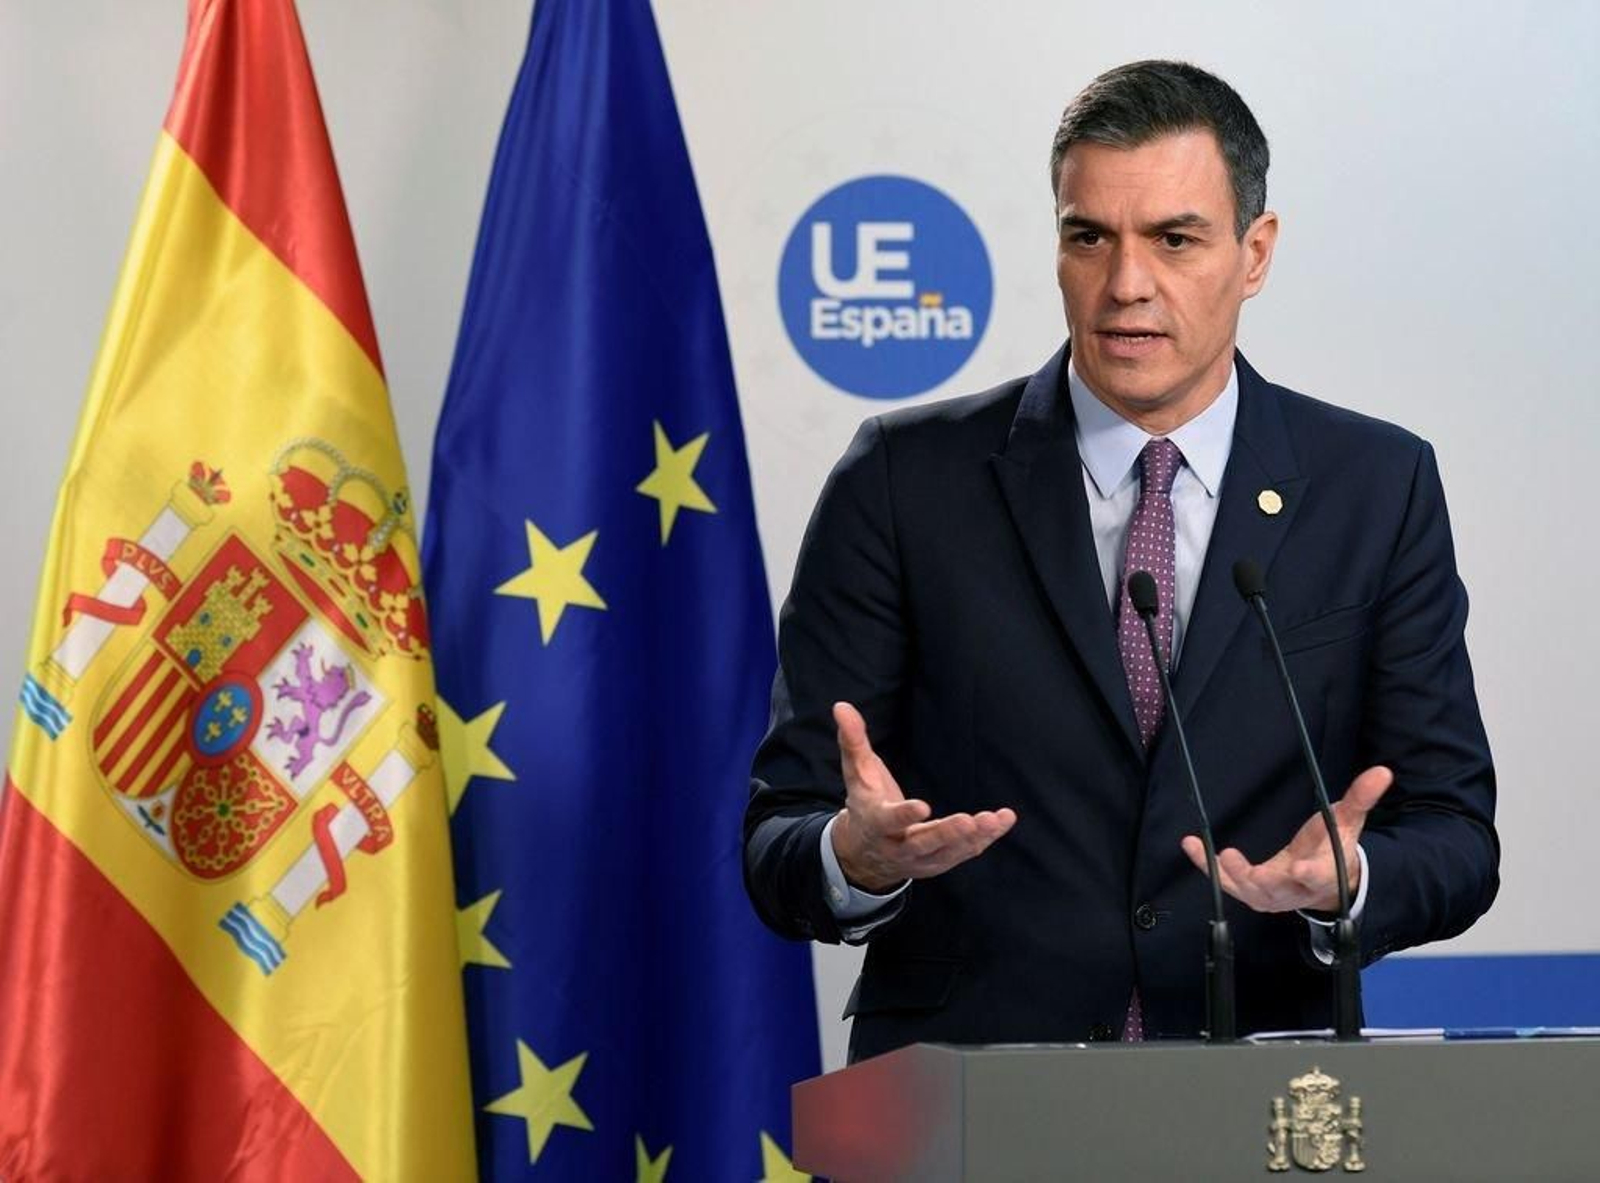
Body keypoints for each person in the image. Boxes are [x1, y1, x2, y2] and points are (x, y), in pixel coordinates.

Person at [744, 60, 1498, 1061]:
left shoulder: (1375, 486)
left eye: (1174, 239)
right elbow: (778, 837)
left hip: (1262, 1096)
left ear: (1255, 251)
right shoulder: (901, 480)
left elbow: (1453, 835)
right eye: (1087, 236)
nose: (1125, 283)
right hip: (976, 1103)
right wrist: (856, 859)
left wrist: (1348, 883)